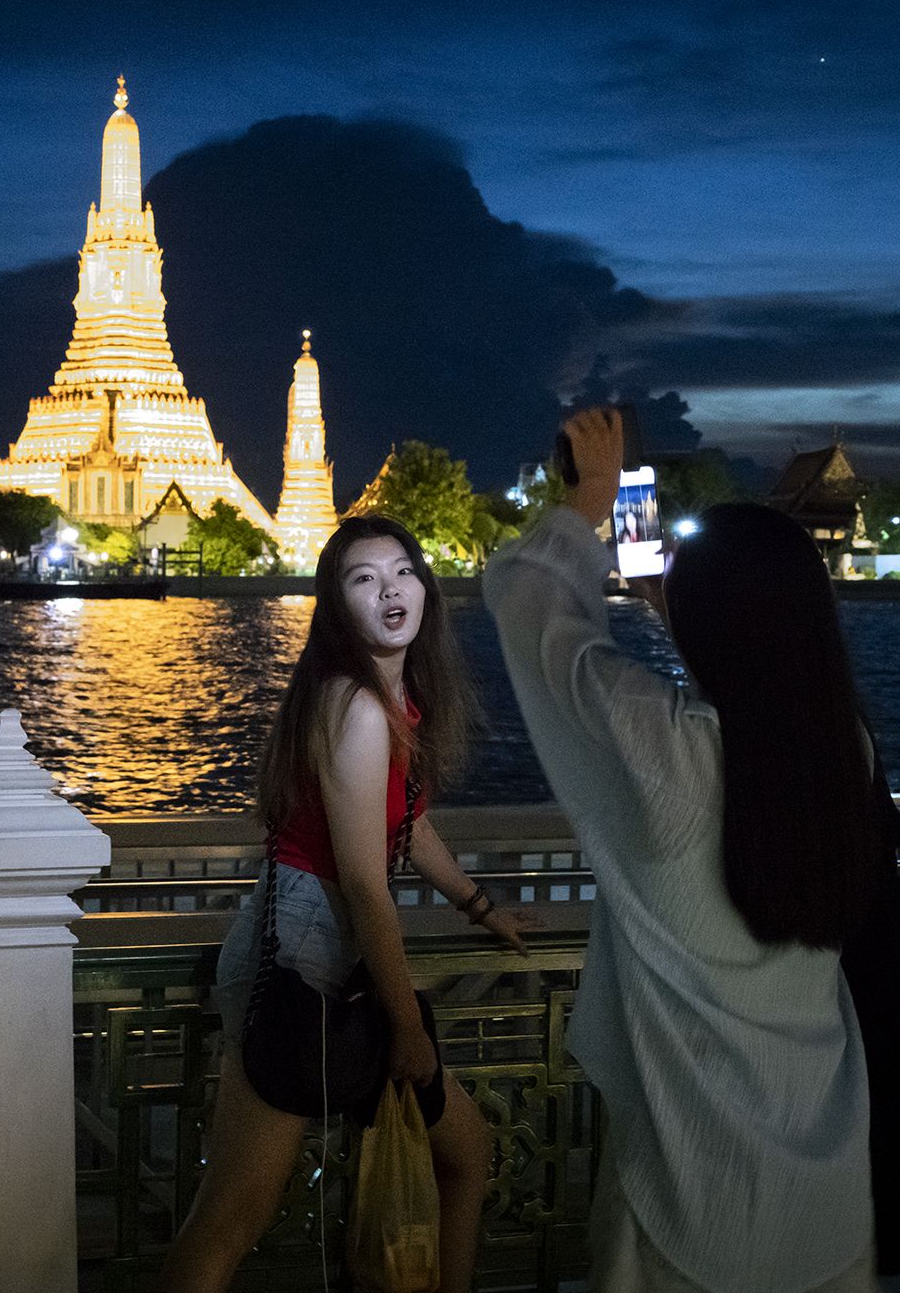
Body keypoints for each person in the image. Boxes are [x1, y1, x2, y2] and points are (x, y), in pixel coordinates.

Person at [482, 408, 887, 1293]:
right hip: (825, 1179)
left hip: (690, 1183)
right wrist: (663, 575)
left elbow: (529, 605)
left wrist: (592, 498)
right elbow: (752, 668)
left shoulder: (665, 749)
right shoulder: (840, 751)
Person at [163, 515, 540, 1293]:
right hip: (304, 954)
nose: (390, 590)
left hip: (337, 953)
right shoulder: (357, 708)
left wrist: (478, 905)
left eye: (402, 571)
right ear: (337, 604)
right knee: (233, 1216)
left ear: (424, 587)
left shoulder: (391, 700)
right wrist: (407, 1027)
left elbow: (407, 822)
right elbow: (365, 881)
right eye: (362, 578)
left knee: (464, 1155)